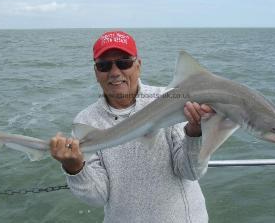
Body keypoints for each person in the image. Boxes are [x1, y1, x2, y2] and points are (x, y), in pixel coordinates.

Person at [50, 31, 215, 223]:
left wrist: (194, 134)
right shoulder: (87, 122)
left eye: (124, 63)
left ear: (138, 66)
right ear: (96, 72)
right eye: (104, 65)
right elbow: (97, 197)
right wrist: (74, 167)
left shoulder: (171, 100)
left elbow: (191, 172)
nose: (114, 72)